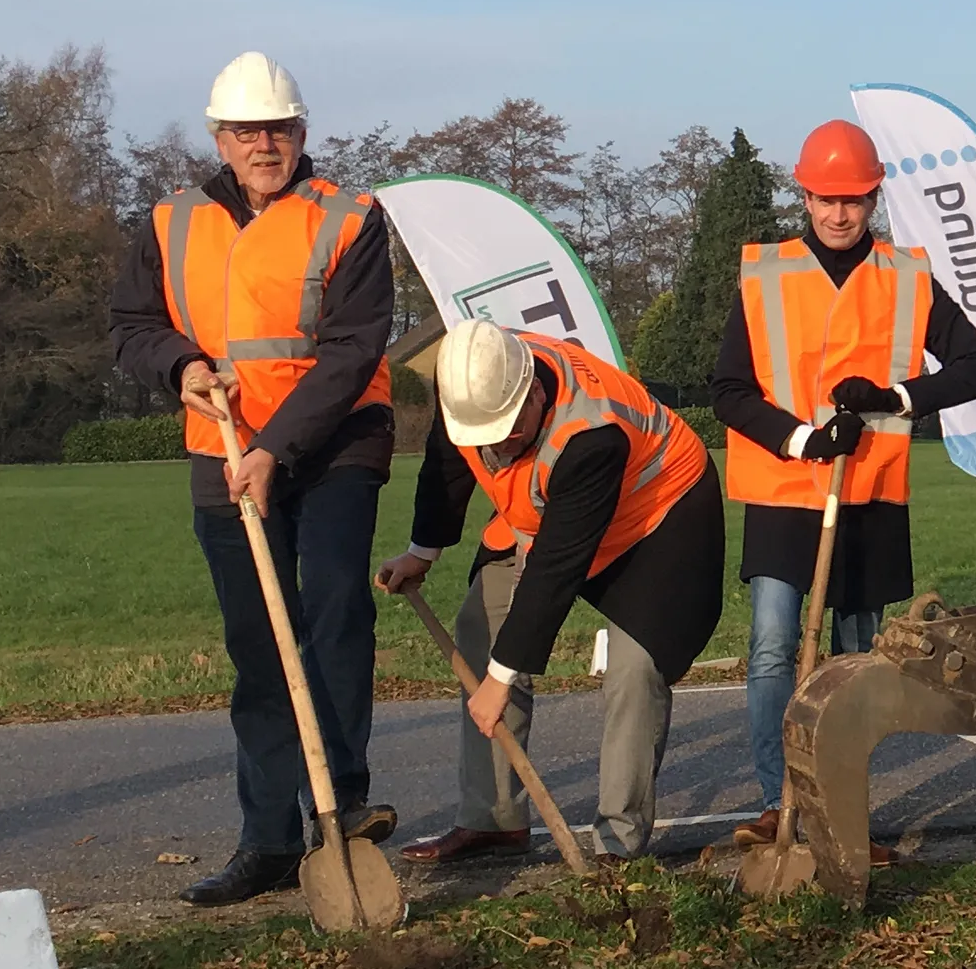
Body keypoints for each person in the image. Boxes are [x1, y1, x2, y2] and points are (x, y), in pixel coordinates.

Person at [109, 52, 397, 906]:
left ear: (301, 133)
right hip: (223, 449)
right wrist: (180, 366)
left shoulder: (349, 216)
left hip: (335, 443)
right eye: (246, 132)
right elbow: (131, 325)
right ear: (220, 139)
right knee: (258, 642)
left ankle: (341, 804)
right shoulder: (171, 221)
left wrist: (278, 448)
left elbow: (353, 350)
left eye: (277, 130)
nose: (263, 145)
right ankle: (267, 839)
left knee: (336, 611)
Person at [714, 119, 976, 844]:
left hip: (867, 494)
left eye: (853, 200)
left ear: (873, 199)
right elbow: (728, 391)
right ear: (805, 197)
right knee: (774, 648)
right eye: (826, 199)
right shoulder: (765, 276)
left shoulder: (906, 278)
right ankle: (777, 800)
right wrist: (802, 438)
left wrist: (894, 397)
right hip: (784, 491)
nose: (839, 214)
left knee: (852, 661)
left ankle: (838, 810)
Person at [379, 321, 725, 862]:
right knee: (479, 627)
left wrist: (499, 681)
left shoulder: (592, 432)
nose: (496, 446)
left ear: (535, 392)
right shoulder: (471, 386)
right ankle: (493, 821)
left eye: (508, 431)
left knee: (635, 669)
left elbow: (555, 570)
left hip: (655, 515)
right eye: (484, 436)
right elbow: (447, 465)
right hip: (545, 512)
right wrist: (422, 552)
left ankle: (617, 842)